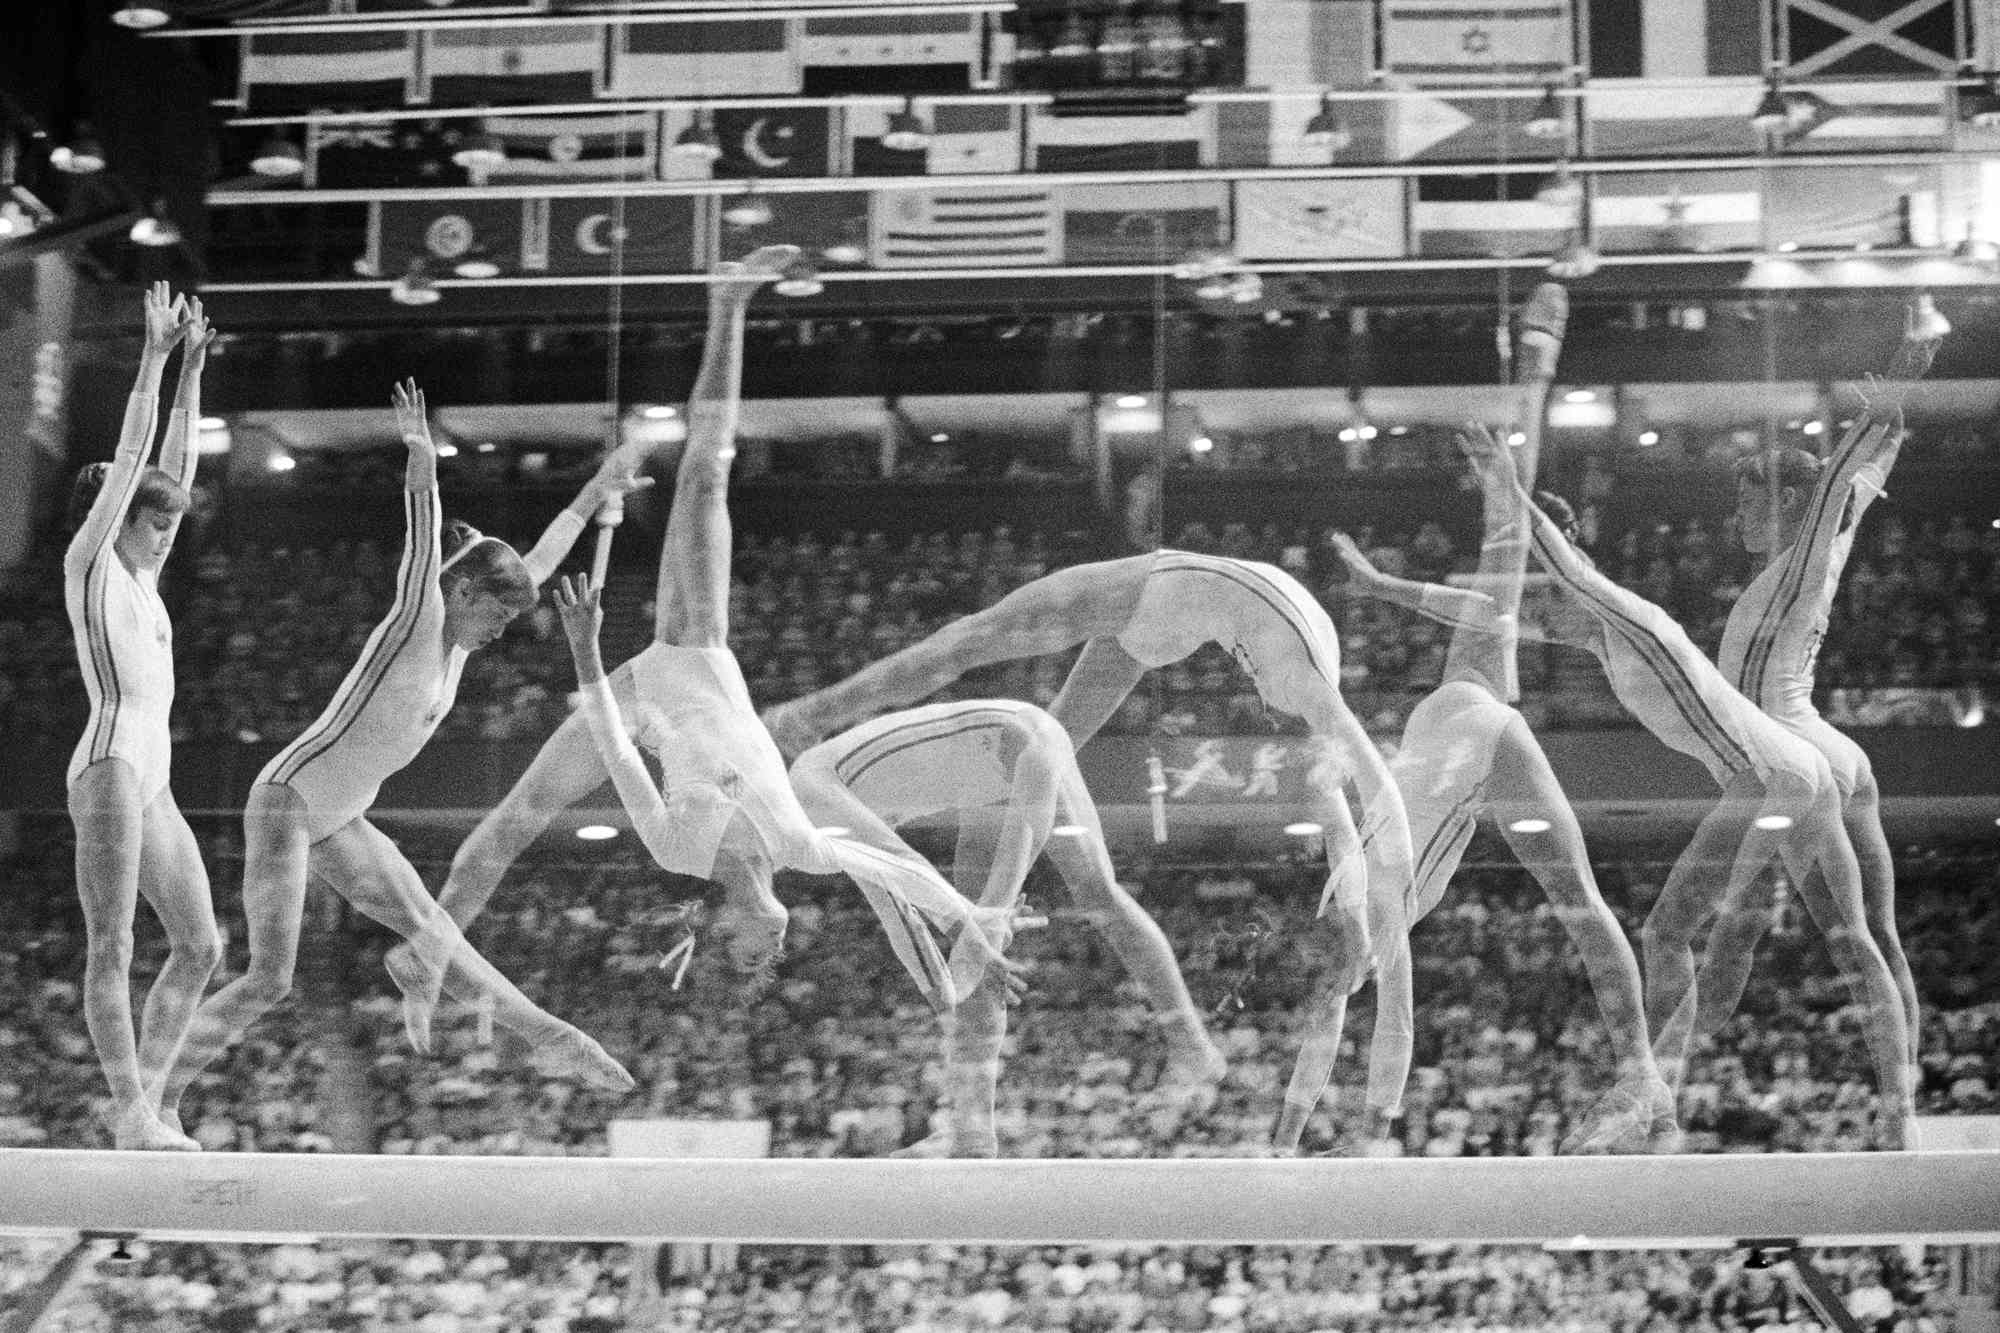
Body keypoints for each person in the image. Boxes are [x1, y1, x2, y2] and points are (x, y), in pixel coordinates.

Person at [403, 249, 1008, 1022]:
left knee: (515, 820)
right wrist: (973, 927)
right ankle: (730, 305)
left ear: (723, 926)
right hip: (699, 653)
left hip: (628, 701)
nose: (776, 945)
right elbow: (897, 870)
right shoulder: (802, 848)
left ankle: (427, 952)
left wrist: (588, 652)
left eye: (755, 953)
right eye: (777, 955)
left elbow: (622, 753)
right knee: (705, 476)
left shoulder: (678, 851)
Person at [1374, 426, 1914, 1145]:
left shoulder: (1634, 617)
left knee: (1672, 933)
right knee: (1811, 940)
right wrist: (1383, 589)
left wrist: (1509, 487)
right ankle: (1878, 1110)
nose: (1540, 610)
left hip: (1776, 774)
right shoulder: (1604, 638)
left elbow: (1565, 574)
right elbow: (1494, 617)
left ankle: (1657, 1103)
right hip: (1791, 769)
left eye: (1752, 503)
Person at [156, 379, 648, 1126]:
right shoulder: (416, 624)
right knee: (270, 978)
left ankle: (547, 1031)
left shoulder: (459, 644)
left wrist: (593, 488)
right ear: (462, 592)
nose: (500, 633)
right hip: (288, 802)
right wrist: (422, 458)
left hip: (343, 812)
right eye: (495, 615)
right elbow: (426, 542)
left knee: (431, 925)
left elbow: (538, 562)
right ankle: (151, 1094)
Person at [1296, 286, 1673, 1156]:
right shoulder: (1364, 921)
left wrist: (1538, 364)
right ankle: (1642, 1072)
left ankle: (1643, 1073)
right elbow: (1369, 1008)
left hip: (1472, 729)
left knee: (1579, 901)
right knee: (1577, 903)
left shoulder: (1364, 913)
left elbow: (1510, 520)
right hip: (1467, 751)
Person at [759, 557, 1415, 1036]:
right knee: (965, 643)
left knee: (1043, 757)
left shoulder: (1304, 705)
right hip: (1162, 588)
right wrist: (1388, 913)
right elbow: (1379, 796)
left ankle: (983, 918)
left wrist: (1358, 915)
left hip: (1205, 615)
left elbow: (1338, 814)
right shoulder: (1309, 691)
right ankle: (807, 714)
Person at [787, 698, 1225, 1156]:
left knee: (1056, 905)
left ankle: (1191, 1046)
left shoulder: (810, 793)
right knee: (995, 937)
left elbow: (914, 870)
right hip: (987, 776)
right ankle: (974, 1133)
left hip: (1018, 740)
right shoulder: (821, 824)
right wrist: (945, 995)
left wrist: (978, 932)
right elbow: (898, 912)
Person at [1702, 319, 1940, 1090]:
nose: (1737, 519)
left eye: (1748, 505)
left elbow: (1841, 477)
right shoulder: (1826, 549)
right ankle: (1903, 1099)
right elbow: (1860, 484)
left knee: (1746, 934)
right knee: (1876, 940)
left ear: (1789, 506)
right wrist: (1893, 425)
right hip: (1831, 749)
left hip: (1795, 761)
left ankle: (1662, 1079)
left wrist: (1903, 371)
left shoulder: (1802, 557)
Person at [65, 283, 220, 1149]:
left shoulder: (144, 580)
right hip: (112, 764)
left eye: (168, 521)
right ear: (112, 515)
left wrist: (194, 372)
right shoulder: (89, 562)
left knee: (200, 945)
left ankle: (151, 1102)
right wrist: (155, 357)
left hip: (149, 770)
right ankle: (126, 1108)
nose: (164, 530)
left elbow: (174, 468)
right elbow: (135, 458)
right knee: (114, 943)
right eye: (150, 519)